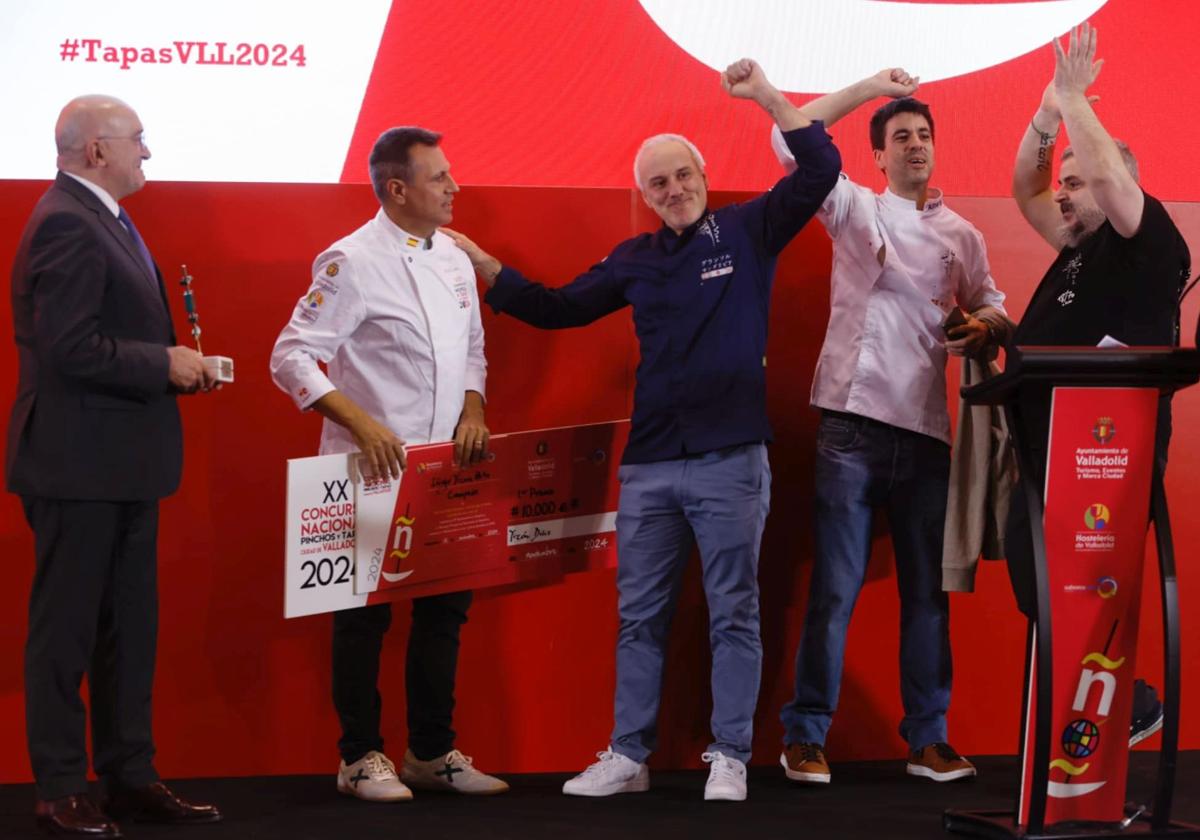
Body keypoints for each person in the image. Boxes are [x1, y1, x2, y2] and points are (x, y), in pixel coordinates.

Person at [445, 59, 841, 802]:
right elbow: (557, 308)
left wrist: (761, 96)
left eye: (682, 174)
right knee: (639, 618)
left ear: (701, 172)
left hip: (732, 459)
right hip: (652, 464)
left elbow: (820, 165)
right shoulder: (633, 259)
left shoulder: (748, 228)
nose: (674, 189)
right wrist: (483, 263)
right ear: (646, 196)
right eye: (658, 183)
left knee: (736, 611)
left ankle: (728, 755)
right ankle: (627, 756)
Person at [768, 69, 1010, 786]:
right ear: (877, 155)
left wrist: (983, 327)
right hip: (850, 424)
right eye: (900, 136)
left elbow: (994, 304)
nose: (914, 145)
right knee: (835, 589)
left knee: (927, 596)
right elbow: (793, 141)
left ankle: (928, 738)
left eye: (923, 136)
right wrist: (872, 86)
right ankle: (805, 734)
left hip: (928, 434)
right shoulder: (851, 207)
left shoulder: (961, 234)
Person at [270, 126, 508, 803]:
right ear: (398, 188)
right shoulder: (350, 260)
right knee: (363, 617)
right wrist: (360, 423)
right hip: (368, 469)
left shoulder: (457, 260)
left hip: (445, 469)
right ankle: (358, 757)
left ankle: (430, 752)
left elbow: (472, 352)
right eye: (439, 178)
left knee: (443, 615)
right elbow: (290, 354)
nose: (454, 187)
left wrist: (474, 411)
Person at [6, 95, 222, 838]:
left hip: (123, 460)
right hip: (77, 461)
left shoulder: (102, 217)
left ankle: (130, 775)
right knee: (66, 633)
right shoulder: (68, 221)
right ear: (97, 150)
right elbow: (69, 349)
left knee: (130, 630)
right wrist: (165, 361)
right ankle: (63, 785)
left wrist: (173, 369)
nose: (147, 154)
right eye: (138, 141)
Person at [1007, 23, 1189, 745]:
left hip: (1103, 461)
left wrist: (1077, 96)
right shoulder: (1076, 249)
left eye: (1077, 183)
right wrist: (1049, 112)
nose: (1064, 194)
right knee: (1038, 582)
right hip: (1045, 458)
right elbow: (1026, 186)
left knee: (1080, 590)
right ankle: (1102, 713)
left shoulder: (1144, 241)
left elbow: (1109, 178)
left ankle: (1124, 707)